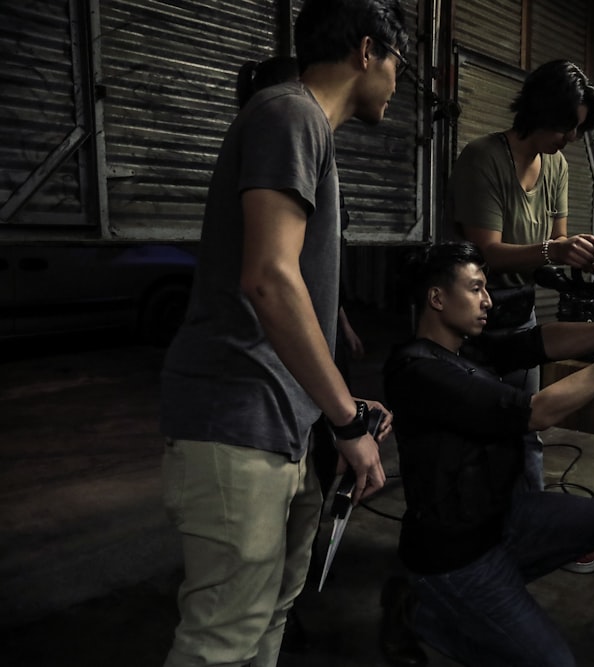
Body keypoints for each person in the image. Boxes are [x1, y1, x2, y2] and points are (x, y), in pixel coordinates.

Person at [158, 1, 409, 665]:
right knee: (221, 639)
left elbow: (296, 289)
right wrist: (347, 421)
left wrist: (339, 406)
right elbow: (269, 279)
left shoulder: (306, 128)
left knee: (271, 614)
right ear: (366, 52)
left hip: (282, 422)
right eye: (397, 67)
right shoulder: (290, 114)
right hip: (237, 415)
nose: (397, 86)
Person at [379, 241, 594, 667]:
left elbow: (540, 342)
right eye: (476, 288)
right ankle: (422, 612)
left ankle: (481, 598)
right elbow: (536, 412)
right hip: (453, 553)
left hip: (497, 519)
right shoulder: (419, 370)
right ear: (437, 298)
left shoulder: (465, 346)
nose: (487, 300)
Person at [444, 60, 594, 573]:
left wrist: (579, 259)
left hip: (518, 316)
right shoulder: (482, 160)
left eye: (578, 128)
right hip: (465, 322)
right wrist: (555, 252)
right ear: (538, 111)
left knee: (526, 432)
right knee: (465, 433)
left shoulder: (556, 165)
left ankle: (533, 533)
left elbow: (550, 251)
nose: (571, 137)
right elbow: (487, 254)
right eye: (566, 126)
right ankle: (458, 542)